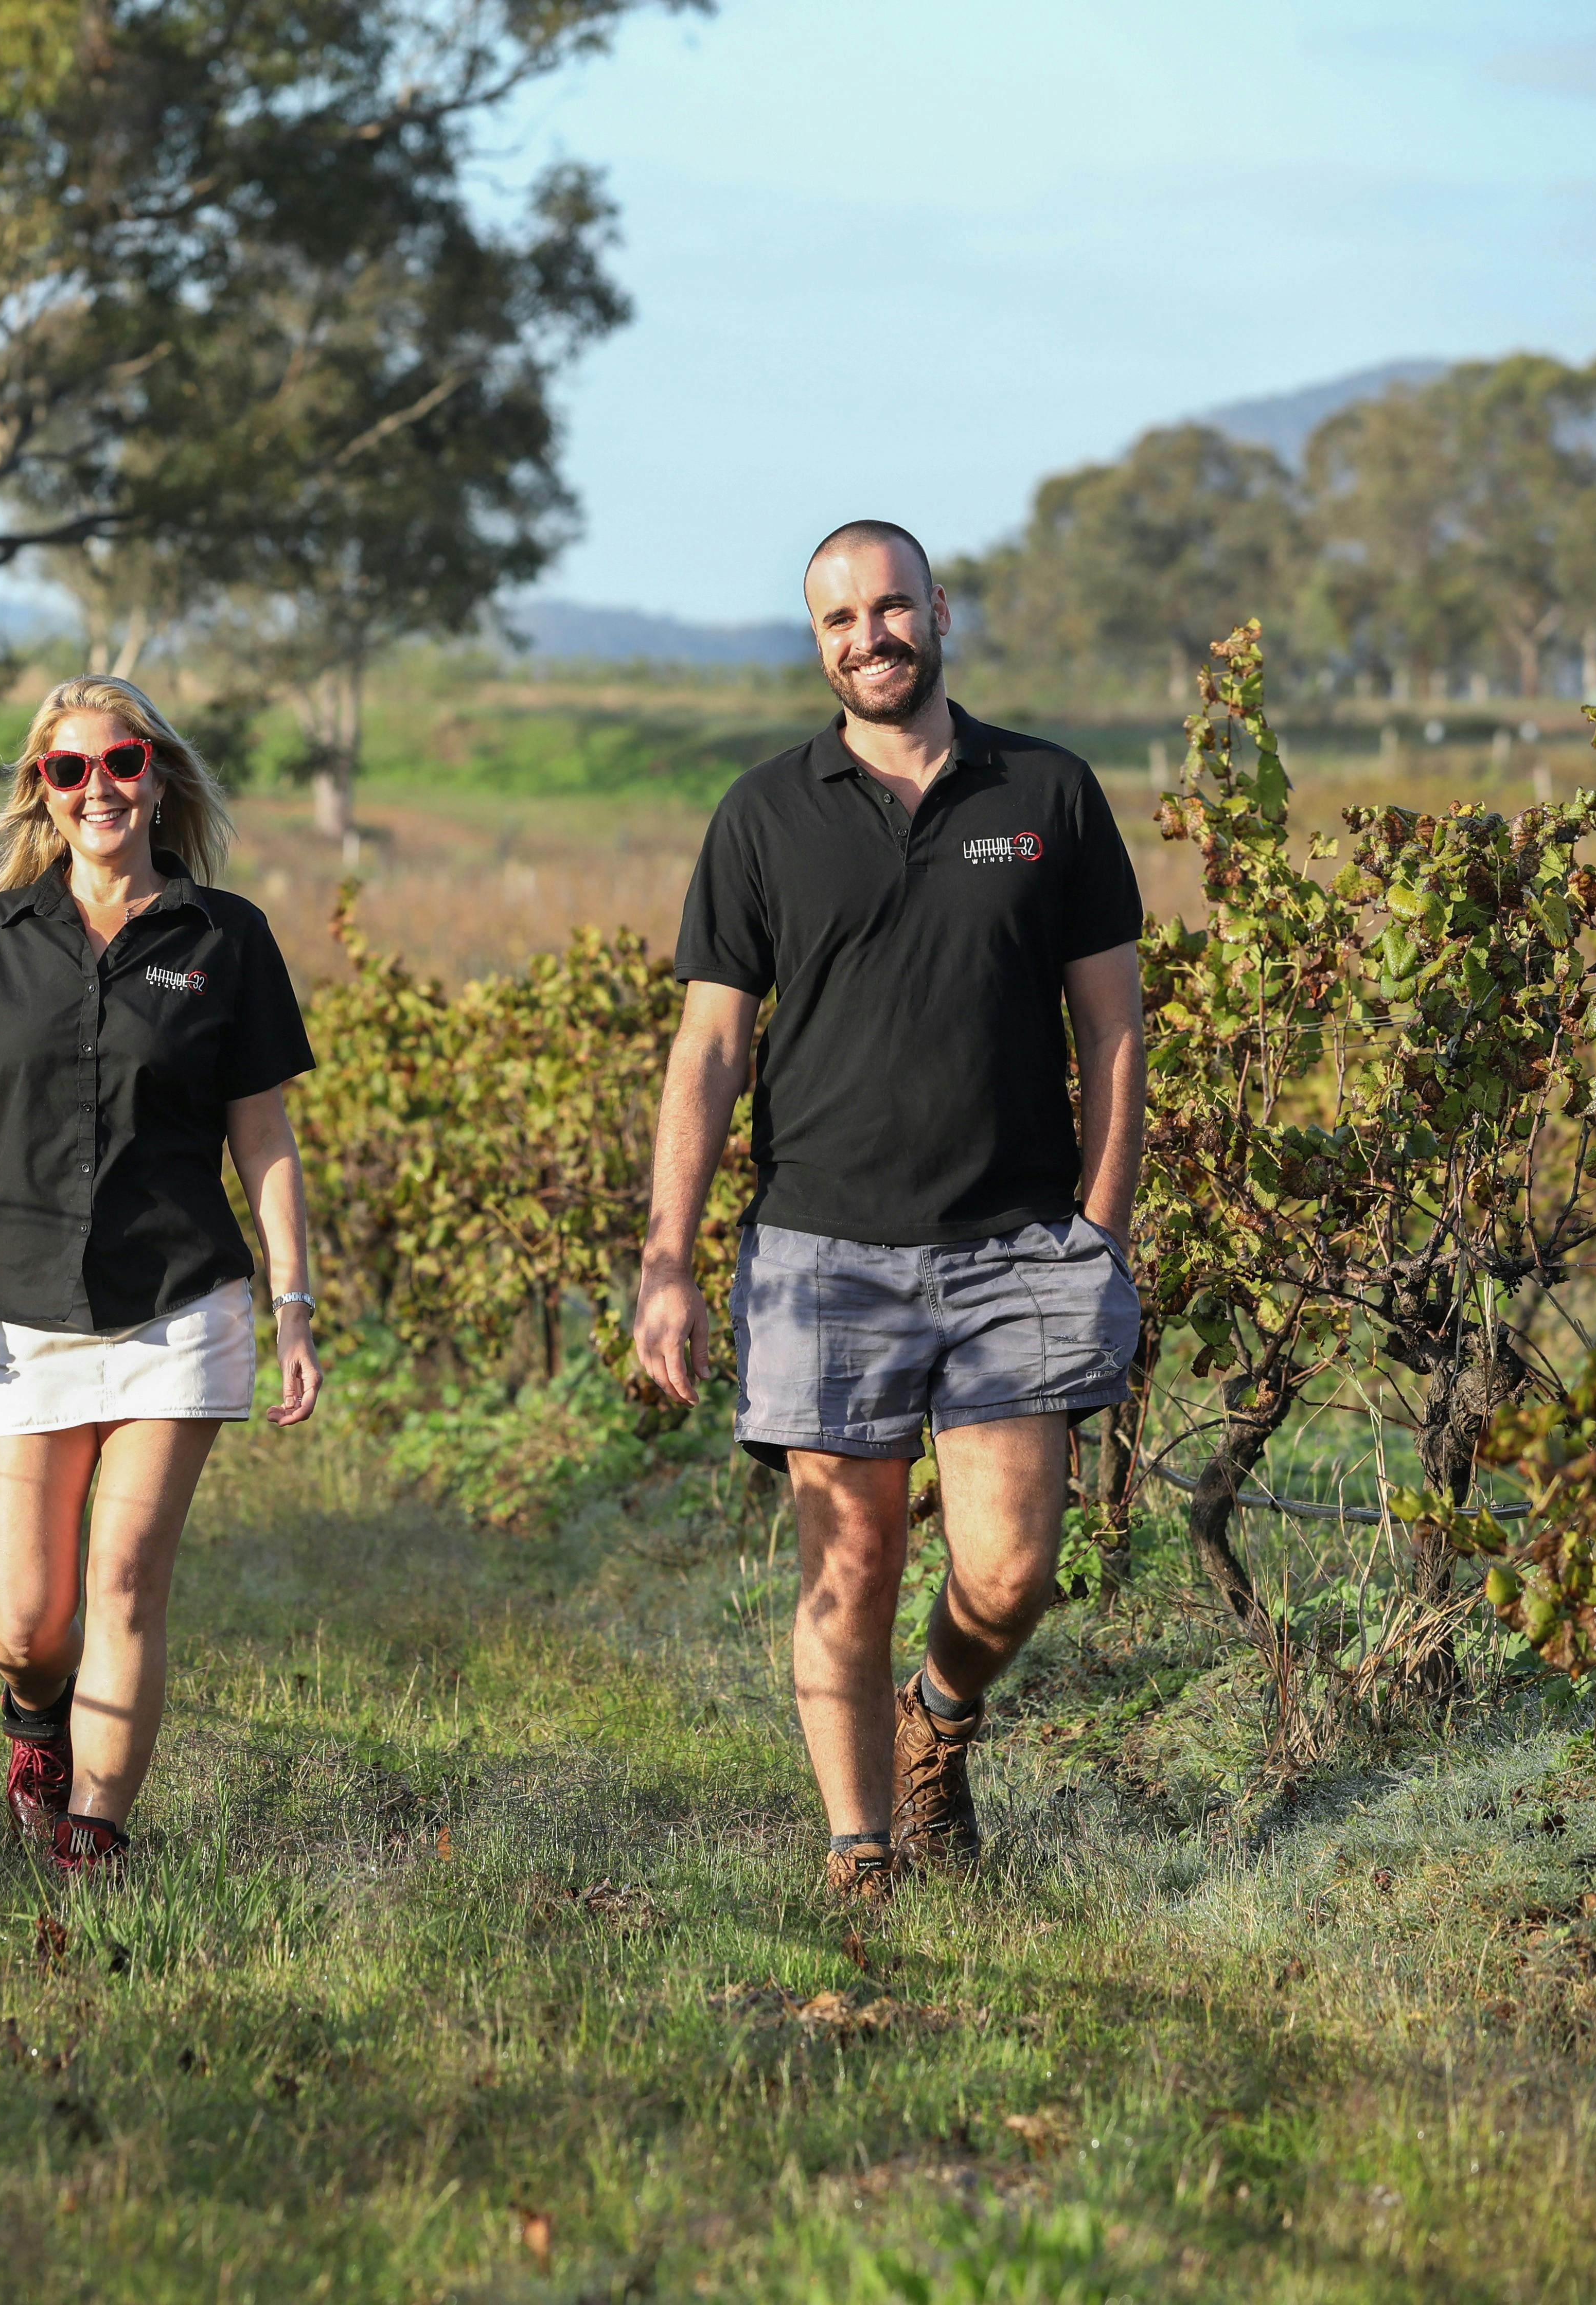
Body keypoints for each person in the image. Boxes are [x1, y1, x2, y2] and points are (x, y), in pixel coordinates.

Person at [633, 520, 1147, 1904]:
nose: (869, 636)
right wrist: (668, 1261)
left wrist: (1100, 1222)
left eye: (890, 608)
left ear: (938, 613)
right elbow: (710, 1052)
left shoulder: (1050, 790)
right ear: (819, 645)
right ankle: (863, 1851)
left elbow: (1112, 1031)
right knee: (850, 1564)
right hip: (822, 1248)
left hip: (1018, 1243)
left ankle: (939, 1706)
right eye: (839, 620)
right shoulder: (761, 814)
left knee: (1014, 1567)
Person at [0, 675, 324, 1877]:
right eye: (70, 768)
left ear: (157, 774)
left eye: (121, 760)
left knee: (122, 1579)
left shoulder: (227, 937)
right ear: (42, 791)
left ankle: (95, 1840)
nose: (98, 785)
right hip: (23, 1302)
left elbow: (264, 1138)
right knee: (24, 1620)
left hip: (181, 1302)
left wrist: (293, 1303)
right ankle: (35, 1722)